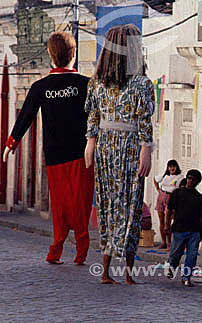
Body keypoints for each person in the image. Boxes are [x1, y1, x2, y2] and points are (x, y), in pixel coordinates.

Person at [2, 31, 94, 265]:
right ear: (73, 55)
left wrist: (11, 143)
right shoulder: (86, 85)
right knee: (81, 202)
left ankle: (56, 250)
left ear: (51, 56)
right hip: (83, 154)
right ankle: (81, 252)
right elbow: (98, 117)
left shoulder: (41, 86)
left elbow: (25, 117)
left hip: (54, 155)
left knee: (60, 204)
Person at [84, 24, 154, 285]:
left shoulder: (96, 82)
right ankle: (126, 272)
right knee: (130, 206)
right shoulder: (141, 83)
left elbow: (92, 114)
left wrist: (91, 142)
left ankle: (106, 270)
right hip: (129, 146)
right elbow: (144, 119)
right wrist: (146, 148)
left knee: (107, 205)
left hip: (105, 146)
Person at [166, 169, 202, 287]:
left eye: (193, 179)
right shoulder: (177, 193)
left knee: (192, 255)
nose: (190, 181)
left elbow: (201, 218)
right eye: (189, 178)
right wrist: (166, 224)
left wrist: (201, 233)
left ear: (198, 182)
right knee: (175, 254)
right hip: (179, 229)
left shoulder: (199, 198)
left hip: (194, 230)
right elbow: (169, 210)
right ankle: (172, 268)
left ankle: (186, 277)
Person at [153, 159, 183, 249]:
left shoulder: (180, 177)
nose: (172, 168)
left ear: (176, 167)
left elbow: (181, 187)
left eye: (173, 166)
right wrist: (158, 189)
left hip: (171, 198)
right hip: (162, 196)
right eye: (170, 166)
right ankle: (163, 242)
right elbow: (155, 179)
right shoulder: (165, 175)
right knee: (161, 221)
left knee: (168, 222)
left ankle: (170, 243)